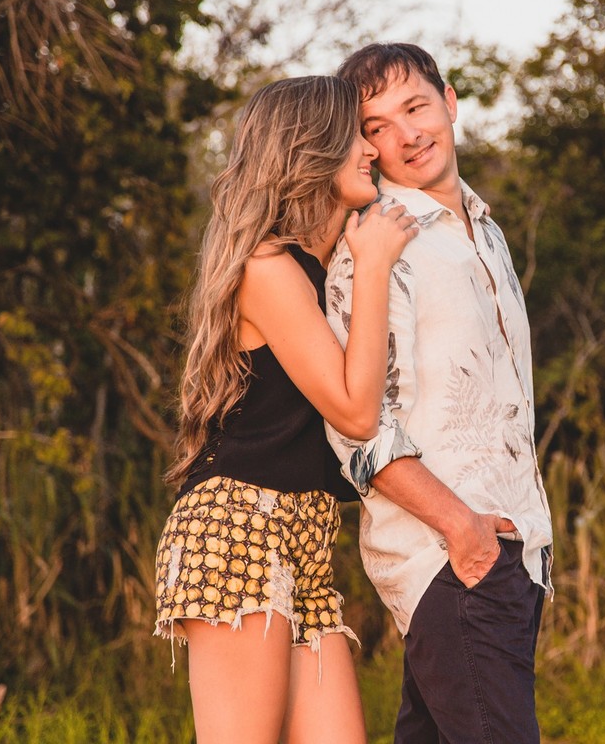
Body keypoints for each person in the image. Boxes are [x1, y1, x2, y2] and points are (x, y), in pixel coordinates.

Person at [152, 75, 418, 744]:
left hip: (306, 537)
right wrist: (378, 260)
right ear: (312, 149)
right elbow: (357, 414)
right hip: (239, 524)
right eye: (357, 134)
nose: (371, 149)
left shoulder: (319, 272)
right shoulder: (269, 268)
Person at [324, 43, 554, 743]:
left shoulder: (486, 232)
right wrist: (464, 531)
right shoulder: (374, 247)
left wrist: (509, 546)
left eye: (416, 107)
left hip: (509, 552)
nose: (407, 134)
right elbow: (357, 425)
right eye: (378, 126)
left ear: (449, 103)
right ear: (364, 147)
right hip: (451, 561)